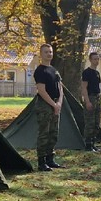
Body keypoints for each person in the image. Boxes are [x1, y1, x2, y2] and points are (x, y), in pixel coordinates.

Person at [33, 43, 64, 171]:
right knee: (44, 134)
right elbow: (41, 90)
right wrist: (53, 104)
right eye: (46, 52)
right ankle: (41, 162)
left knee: (53, 133)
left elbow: (60, 87)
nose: (49, 54)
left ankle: (50, 159)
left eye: (50, 52)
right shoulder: (40, 71)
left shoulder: (54, 70)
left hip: (56, 104)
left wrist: (59, 103)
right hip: (45, 105)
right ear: (41, 54)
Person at [80, 50, 101, 152]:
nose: (97, 61)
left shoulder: (97, 73)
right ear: (90, 60)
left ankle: (93, 143)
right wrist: (87, 101)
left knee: (96, 122)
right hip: (90, 97)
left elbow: (98, 87)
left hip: (98, 97)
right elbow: (84, 87)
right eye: (95, 59)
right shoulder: (86, 72)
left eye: (98, 59)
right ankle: (88, 144)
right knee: (90, 122)